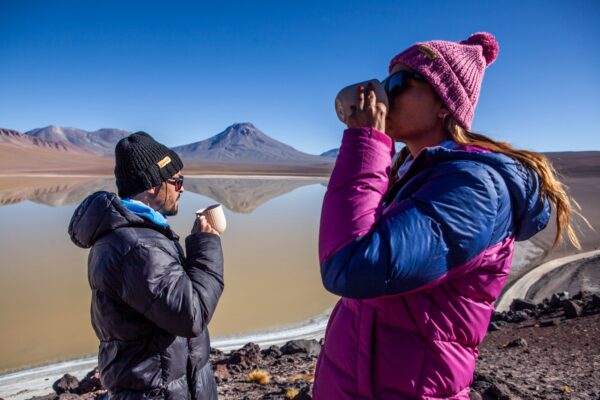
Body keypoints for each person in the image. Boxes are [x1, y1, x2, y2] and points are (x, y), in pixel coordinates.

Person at [314, 32, 582, 399]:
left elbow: (351, 265)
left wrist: (365, 142)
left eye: (398, 83)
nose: (384, 95)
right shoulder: (414, 178)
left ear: (444, 103)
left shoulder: (473, 189)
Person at [69, 132, 224, 399]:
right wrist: (205, 244)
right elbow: (191, 315)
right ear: (153, 185)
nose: (182, 189)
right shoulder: (138, 247)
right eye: (176, 181)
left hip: (164, 384)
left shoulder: (134, 235)